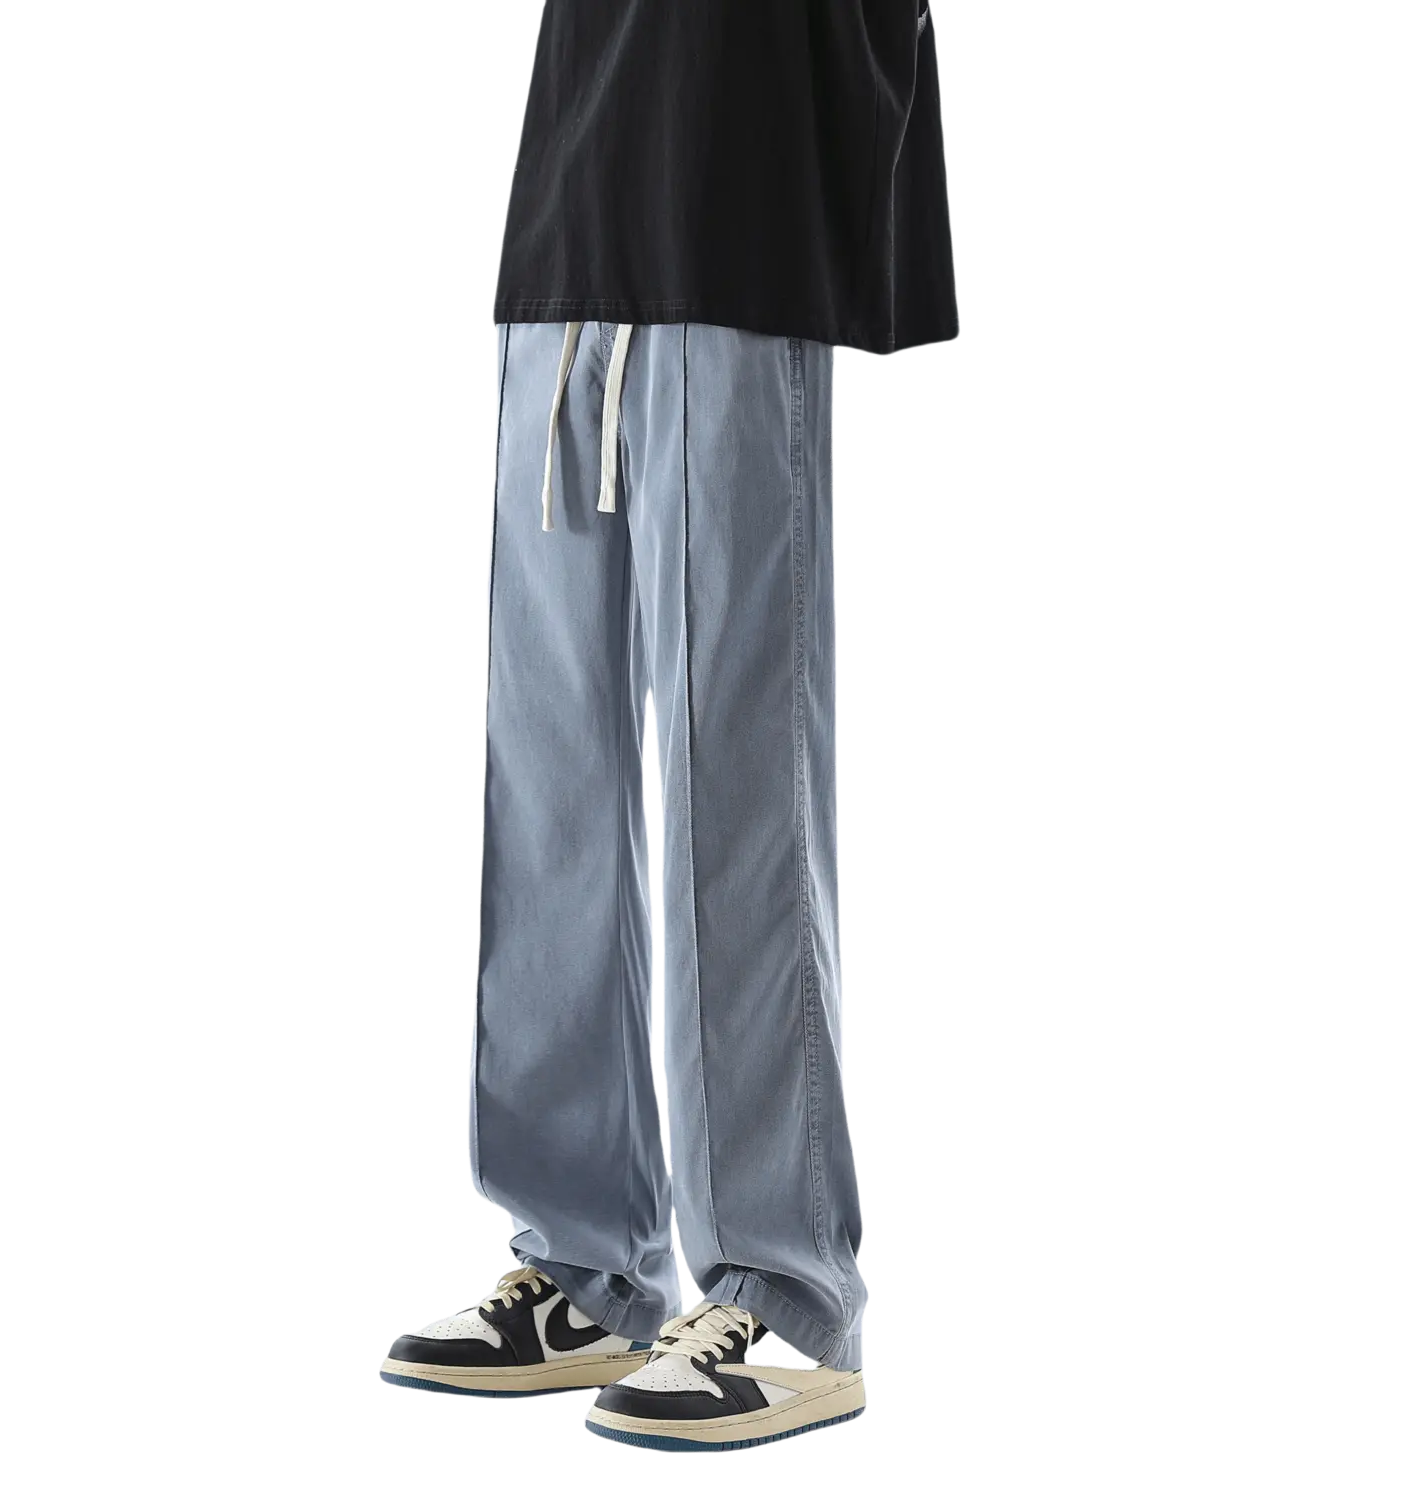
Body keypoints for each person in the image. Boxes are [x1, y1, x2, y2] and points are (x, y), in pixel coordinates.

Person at [381, 0, 959, 1452]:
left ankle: (782, 1291)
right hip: (570, 217)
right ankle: (582, 1264)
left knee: (733, 780)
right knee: (549, 792)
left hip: (737, 214)